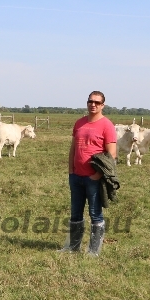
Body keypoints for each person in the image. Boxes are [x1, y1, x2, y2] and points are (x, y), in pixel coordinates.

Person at [59, 91, 117, 256]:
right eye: (90, 101)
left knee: (95, 213)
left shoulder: (107, 125)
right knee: (75, 212)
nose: (93, 104)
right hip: (76, 176)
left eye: (97, 102)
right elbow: (73, 148)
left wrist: (98, 175)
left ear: (102, 105)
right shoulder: (79, 123)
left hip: (93, 178)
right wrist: (71, 170)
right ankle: (72, 247)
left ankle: (93, 251)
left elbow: (111, 154)